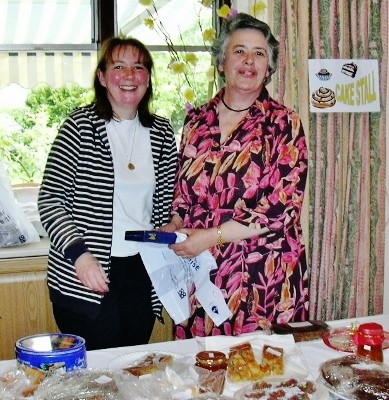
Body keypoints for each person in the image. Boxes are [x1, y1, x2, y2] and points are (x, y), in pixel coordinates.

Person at [164, 13, 309, 338]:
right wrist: (176, 224)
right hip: (202, 268)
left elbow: (281, 208)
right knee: (205, 372)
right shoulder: (196, 122)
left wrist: (212, 236)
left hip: (265, 273)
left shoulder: (284, 124)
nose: (249, 61)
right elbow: (184, 193)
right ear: (222, 61)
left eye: (259, 53)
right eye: (239, 51)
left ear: (268, 66)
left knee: (265, 376)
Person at [38, 37, 177, 350]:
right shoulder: (80, 126)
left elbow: (169, 201)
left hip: (140, 270)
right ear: (102, 77)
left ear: (148, 77)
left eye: (138, 67)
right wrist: (80, 256)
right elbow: (50, 200)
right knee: (95, 374)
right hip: (85, 272)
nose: (129, 75)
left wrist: (173, 222)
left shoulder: (162, 133)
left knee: (130, 366)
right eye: (119, 67)